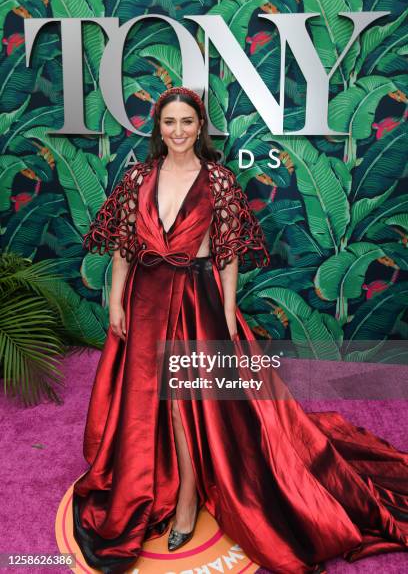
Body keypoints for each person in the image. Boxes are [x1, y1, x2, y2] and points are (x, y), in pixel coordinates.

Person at [72, 86, 408, 574]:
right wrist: (115, 304)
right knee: (148, 403)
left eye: (188, 122)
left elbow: (227, 256)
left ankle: (187, 498)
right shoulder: (139, 176)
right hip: (144, 301)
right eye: (170, 122)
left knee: (187, 405)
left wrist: (227, 315)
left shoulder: (219, 181)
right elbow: (124, 247)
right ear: (158, 128)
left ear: (199, 126)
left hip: (194, 302)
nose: (179, 131)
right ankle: (150, 484)